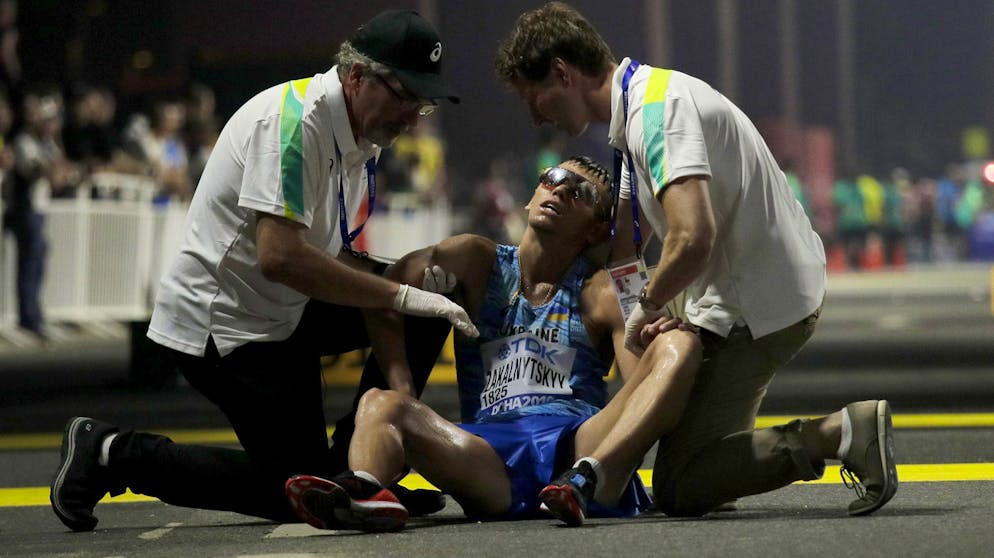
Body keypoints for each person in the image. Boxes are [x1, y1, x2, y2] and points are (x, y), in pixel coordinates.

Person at [50, 9, 478, 533]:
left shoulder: (359, 136)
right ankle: (111, 452)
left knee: (428, 295)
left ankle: (360, 475)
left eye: (423, 103)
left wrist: (401, 357)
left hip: (281, 307)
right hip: (225, 325)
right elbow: (280, 256)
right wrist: (397, 296)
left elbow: (328, 256)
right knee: (292, 493)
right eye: (405, 95)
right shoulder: (294, 123)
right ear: (357, 75)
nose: (412, 118)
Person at [495, 1, 896, 524]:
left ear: (563, 73)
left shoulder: (656, 112)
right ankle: (711, 466)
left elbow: (691, 236)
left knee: (680, 484)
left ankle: (842, 432)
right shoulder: (638, 109)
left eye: (534, 97)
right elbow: (623, 247)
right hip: (742, 288)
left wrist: (647, 308)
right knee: (682, 431)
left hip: (754, 303)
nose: (534, 115)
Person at [282, 155, 700, 532]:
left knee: (678, 343)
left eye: (582, 192)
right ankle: (365, 492)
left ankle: (592, 476)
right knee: (379, 402)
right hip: (487, 457)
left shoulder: (600, 291)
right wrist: (405, 388)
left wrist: (653, 339)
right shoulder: (474, 260)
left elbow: (639, 391)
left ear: (596, 228)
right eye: (553, 178)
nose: (561, 190)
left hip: (576, 445)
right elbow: (381, 292)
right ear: (531, 195)